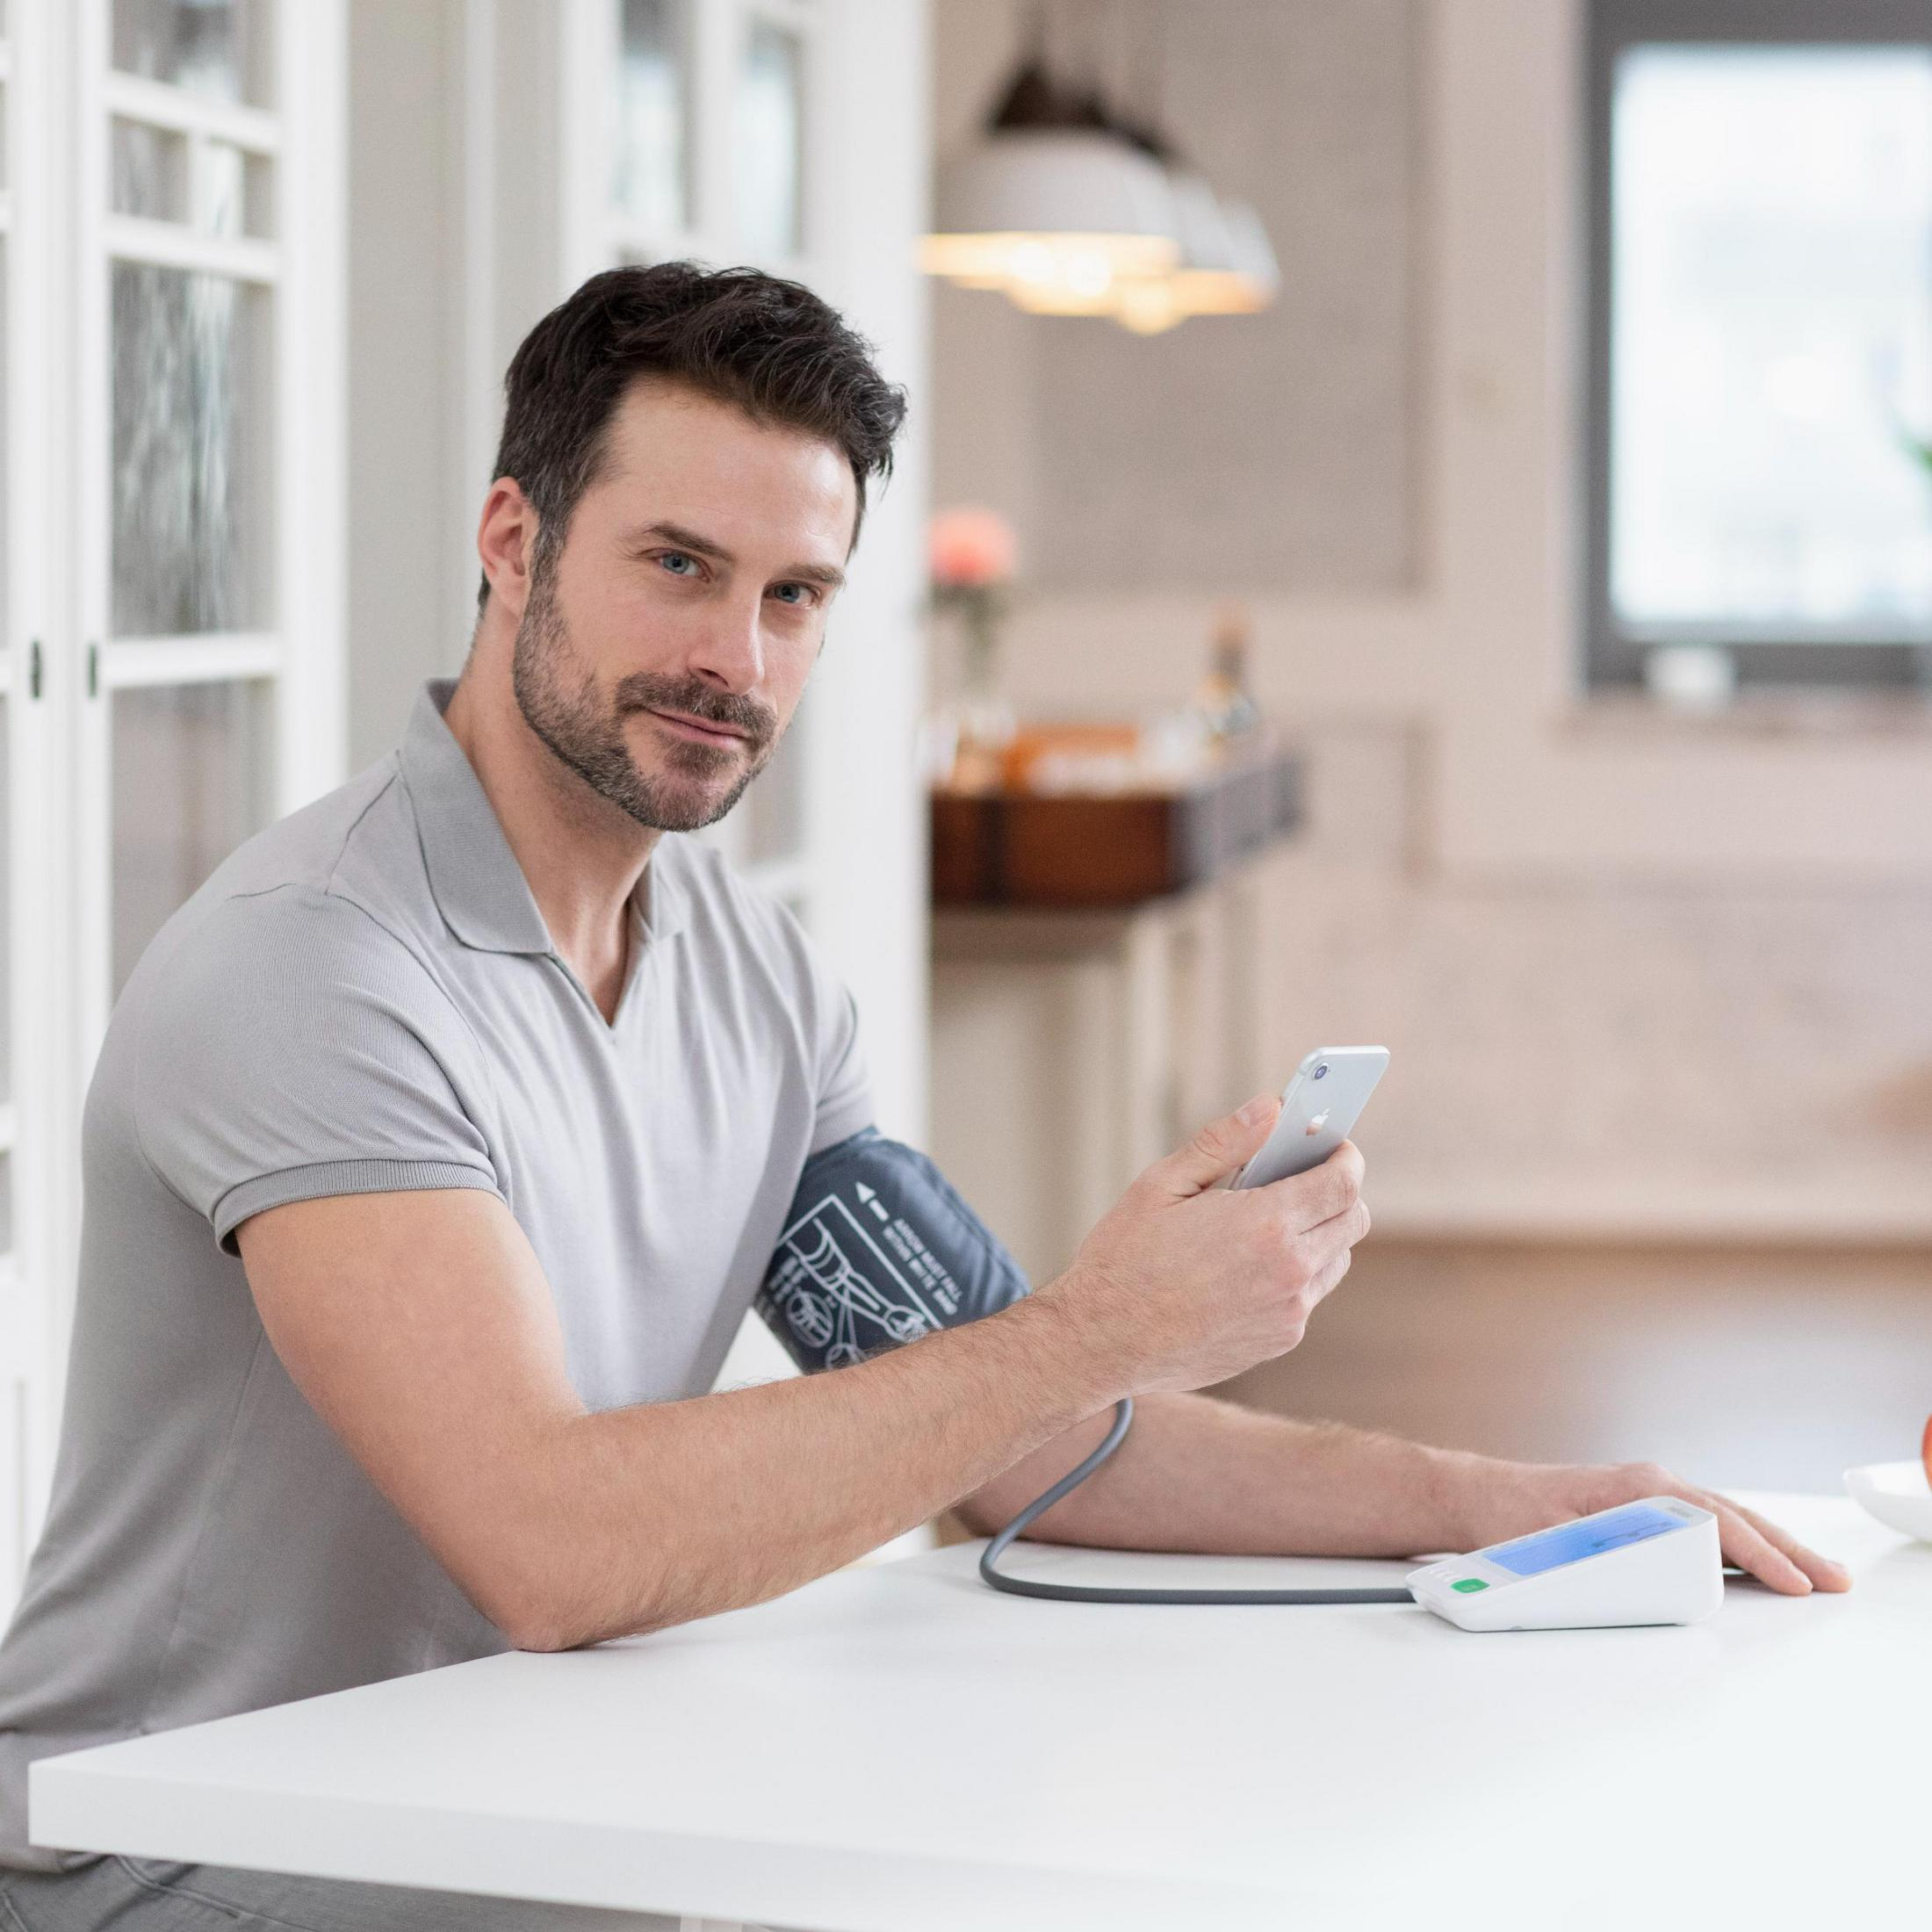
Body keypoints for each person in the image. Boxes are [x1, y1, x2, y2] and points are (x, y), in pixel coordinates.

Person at [0, 263, 1849, 1931]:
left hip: (502, 1813)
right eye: (677, 565)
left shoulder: (753, 975)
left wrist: (1524, 1501)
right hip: (178, 1856)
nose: (737, 657)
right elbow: (549, 1547)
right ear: (510, 536)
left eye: (794, 593)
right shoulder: (318, 966)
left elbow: (1027, 1440)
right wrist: (1092, 1324)